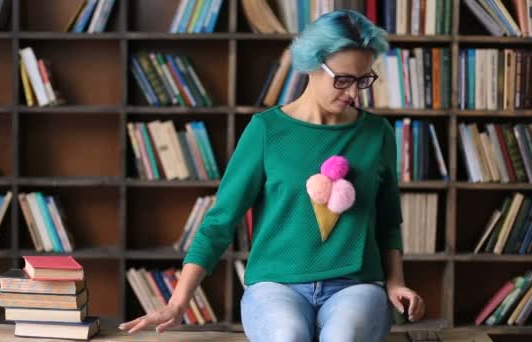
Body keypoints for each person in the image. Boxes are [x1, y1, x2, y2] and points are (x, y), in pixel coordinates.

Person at [119, 9, 425, 342]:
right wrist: (177, 302)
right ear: (311, 64)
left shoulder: (377, 133)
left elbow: (388, 221)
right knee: (287, 335)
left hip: (355, 286)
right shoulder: (266, 130)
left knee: (343, 336)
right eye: (344, 79)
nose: (354, 93)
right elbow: (220, 221)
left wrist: (396, 283)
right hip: (275, 287)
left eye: (363, 79)